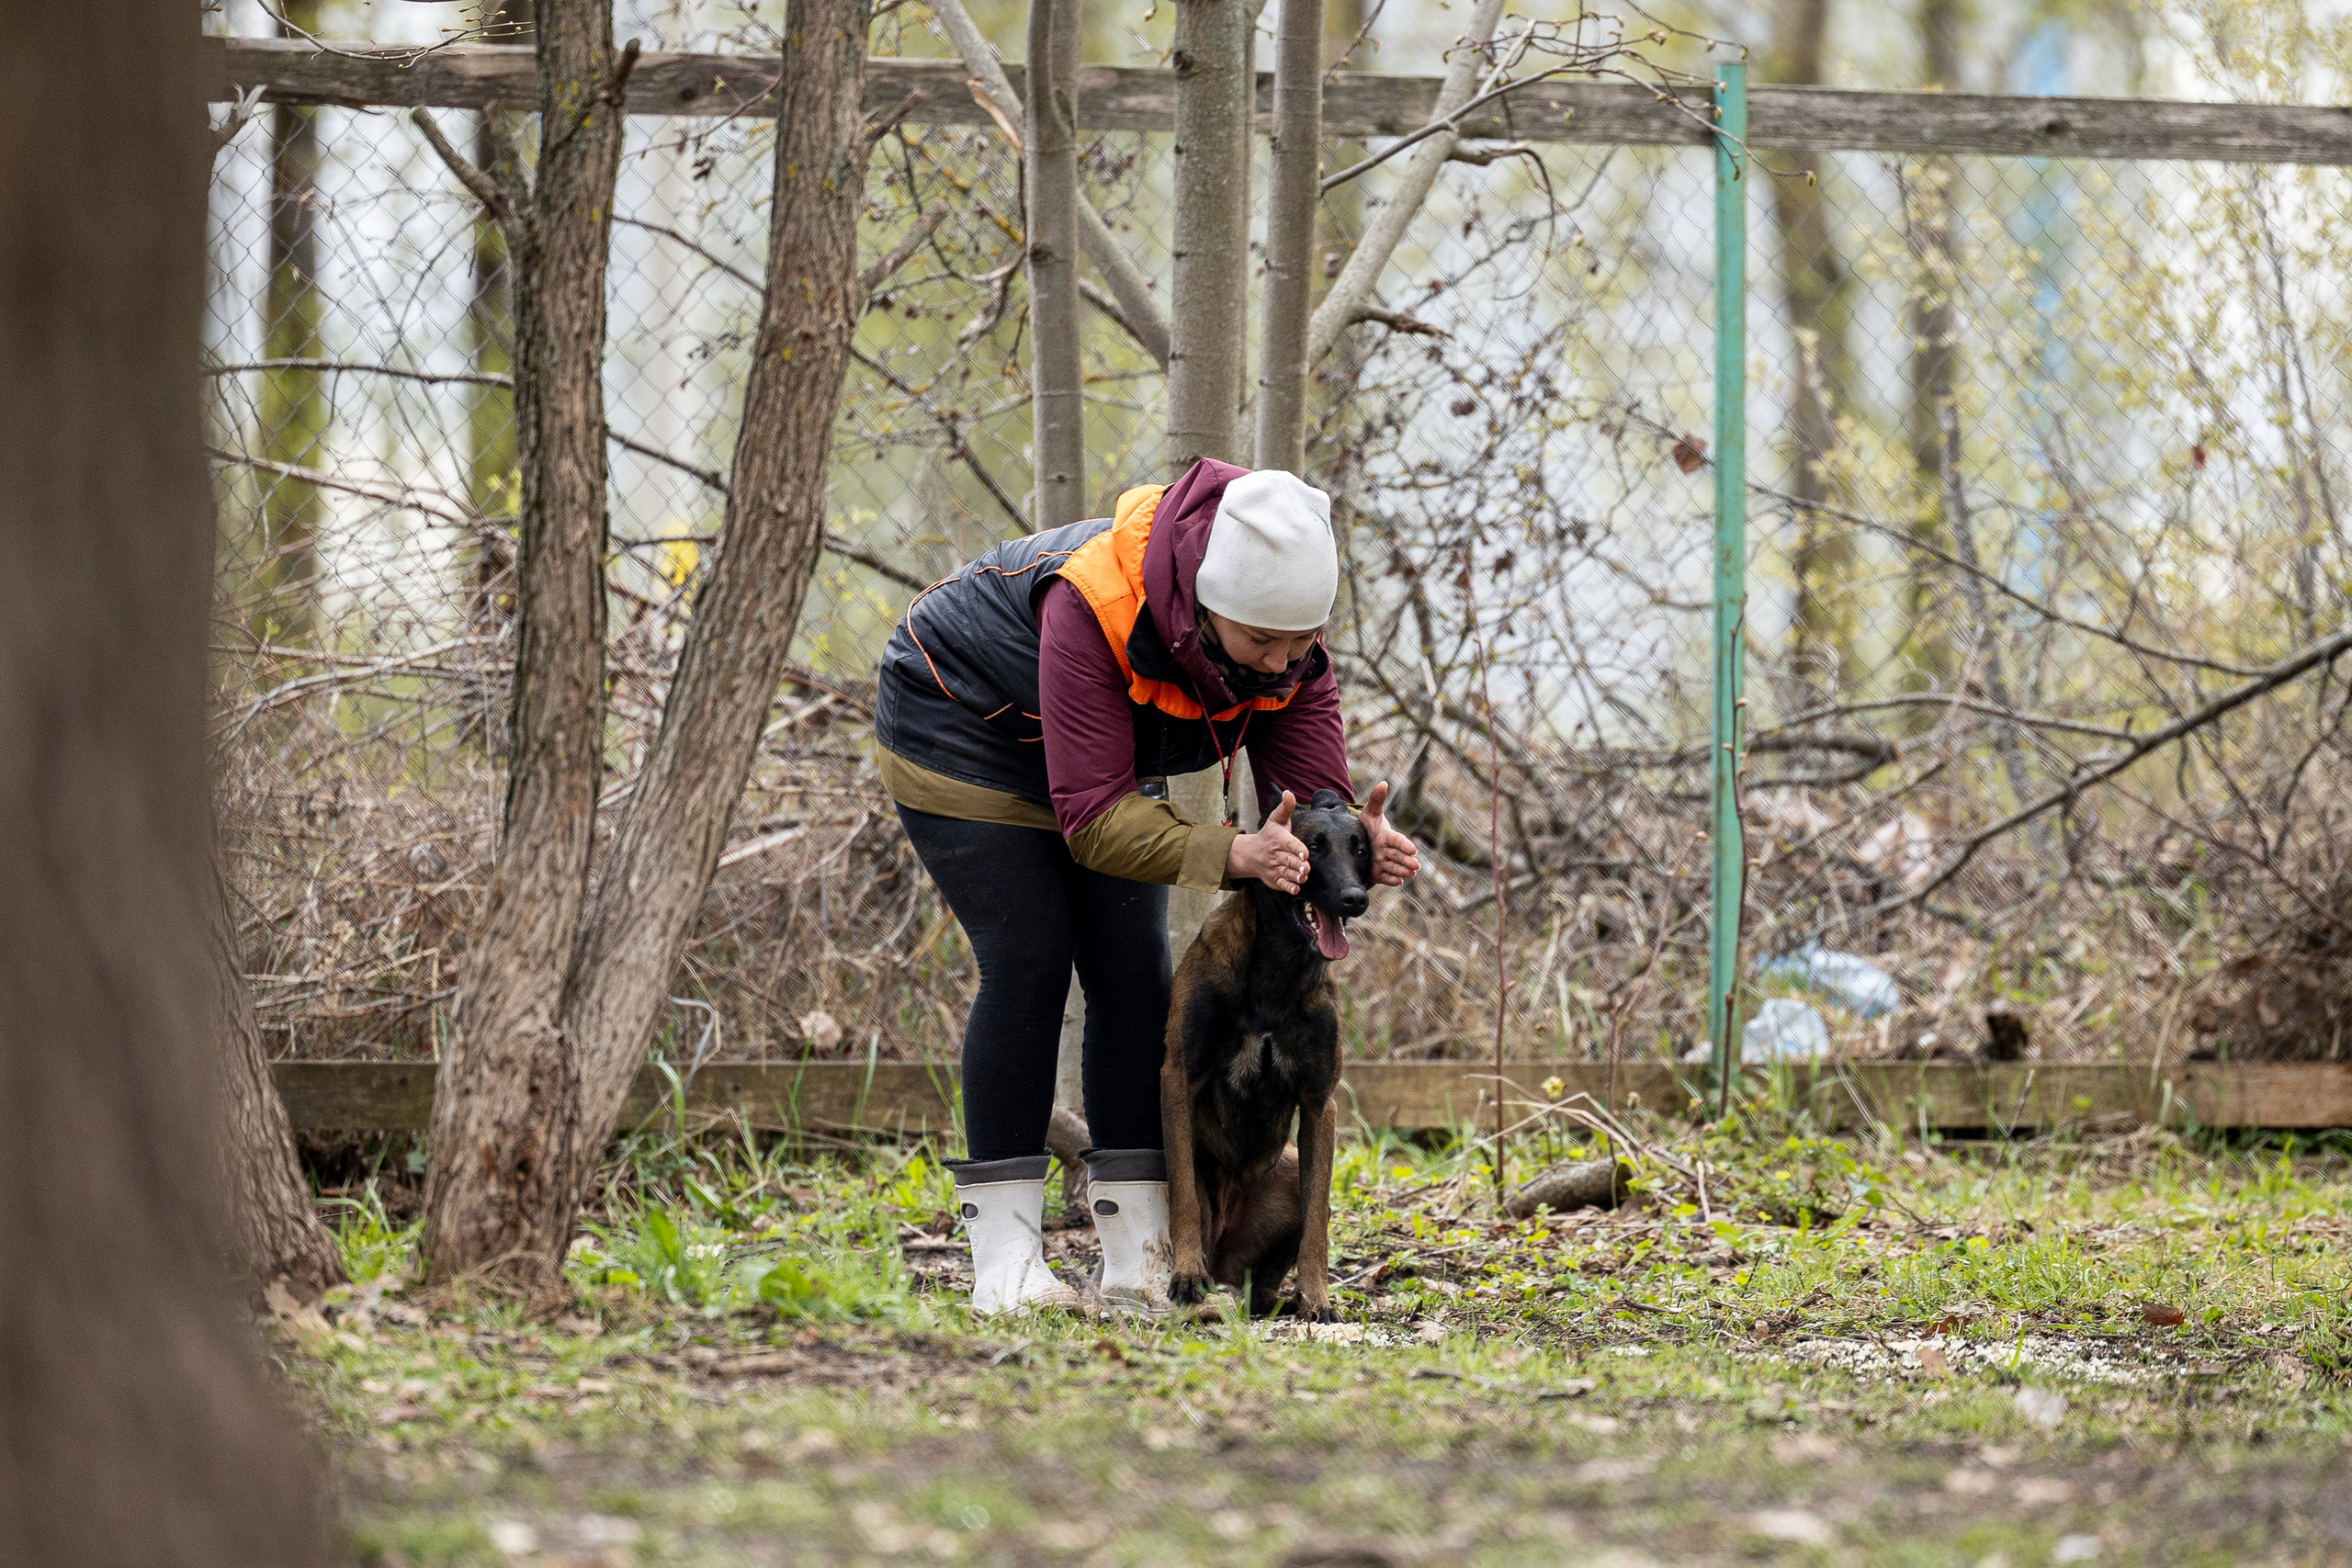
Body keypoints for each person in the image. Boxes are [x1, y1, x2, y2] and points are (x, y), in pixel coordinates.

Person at [874, 458, 1419, 1314]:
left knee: (1135, 969)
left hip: (1101, 750)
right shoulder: (1095, 604)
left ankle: (1140, 1252)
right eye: (1263, 645)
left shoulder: (1284, 644)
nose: (1284, 666)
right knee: (1031, 958)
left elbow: (1317, 802)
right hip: (965, 723)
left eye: (1300, 644)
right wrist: (1232, 852)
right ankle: (1006, 1261)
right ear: (1205, 611)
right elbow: (1092, 818)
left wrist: (1360, 839)